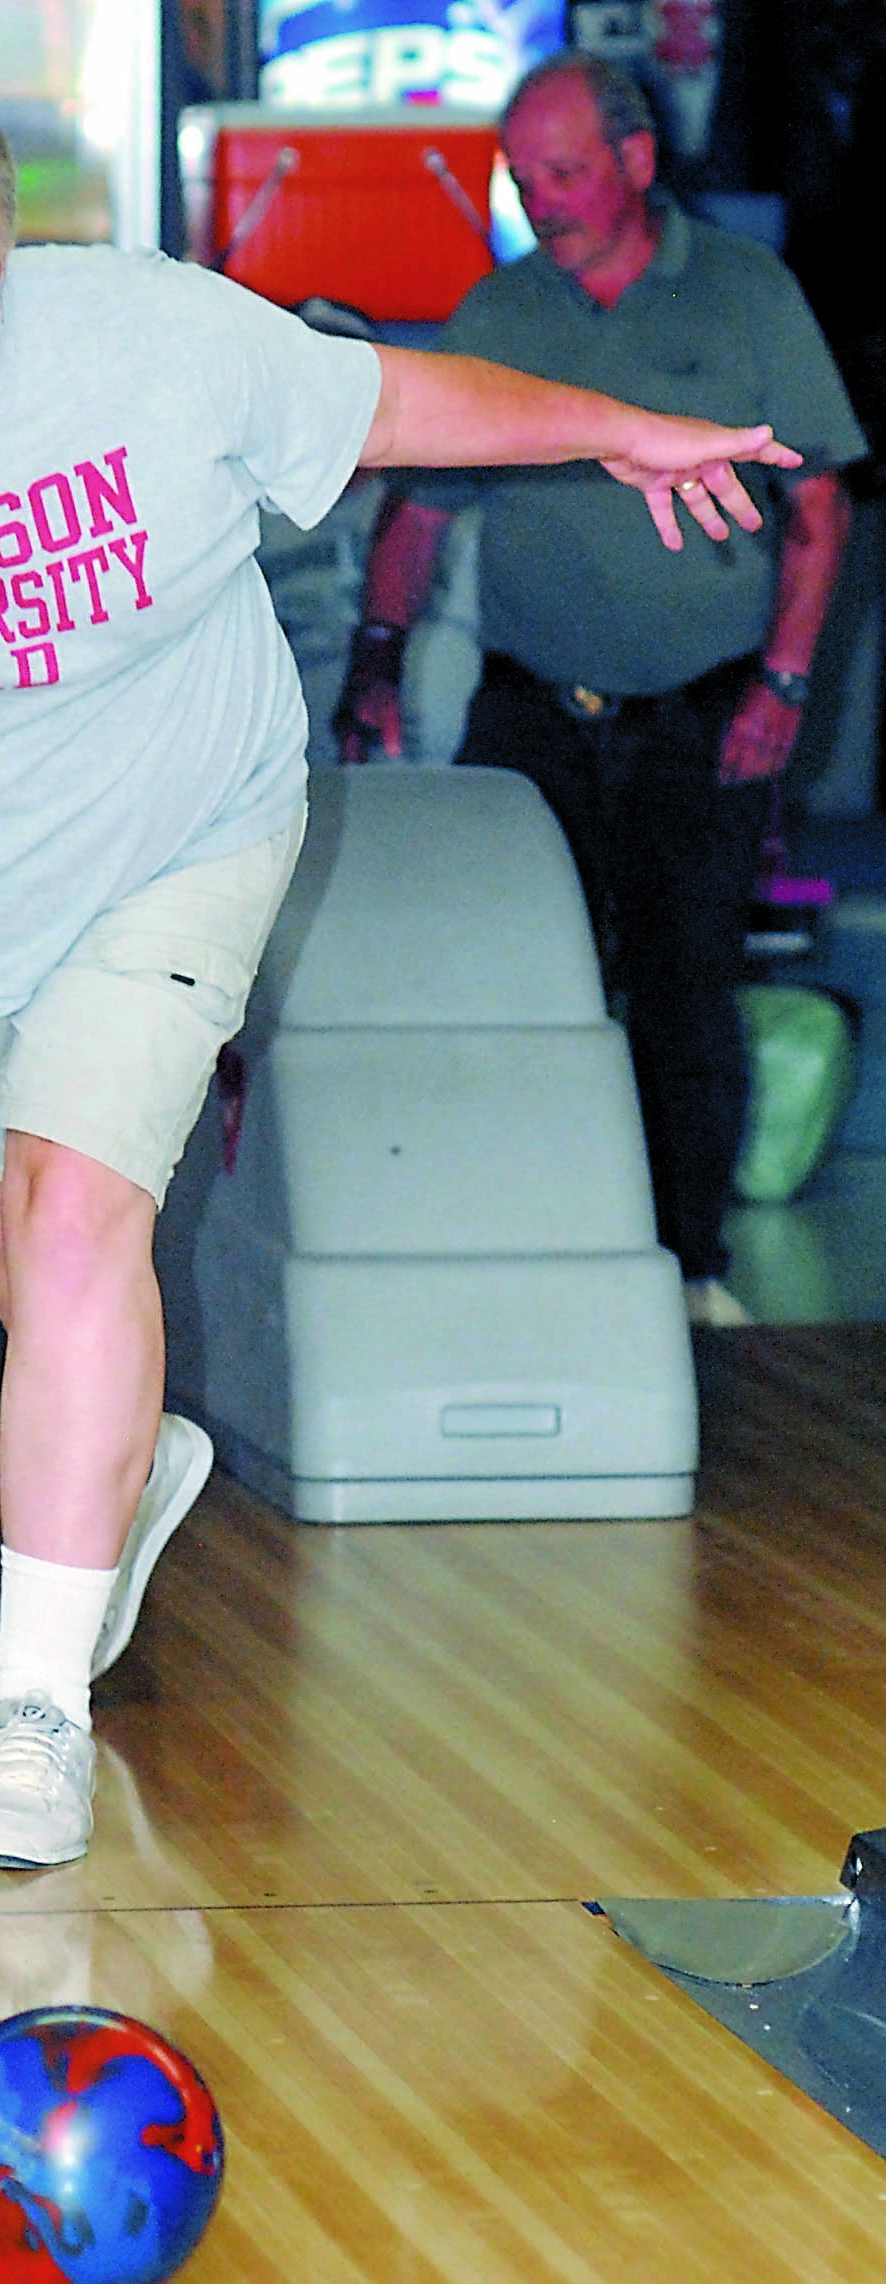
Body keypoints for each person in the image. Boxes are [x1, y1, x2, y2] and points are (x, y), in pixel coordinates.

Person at [0, 66, 800, 1870]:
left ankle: (33, 1721)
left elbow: (395, 402)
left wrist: (615, 428)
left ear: (15, 268)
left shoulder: (157, 344)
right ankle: (136, 1461)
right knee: (33, 1260)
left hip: (180, 841)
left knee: (83, 1215)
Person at [333, 52, 864, 1329]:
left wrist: (784, 684)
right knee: (512, 977)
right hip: (534, 708)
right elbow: (421, 507)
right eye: (523, 177)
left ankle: (685, 1268)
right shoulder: (502, 314)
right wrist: (378, 660)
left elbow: (819, 506)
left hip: (706, 703)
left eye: (565, 172)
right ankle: (522, 1246)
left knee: (684, 980)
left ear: (635, 161)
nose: (542, 200)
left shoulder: (745, 297)